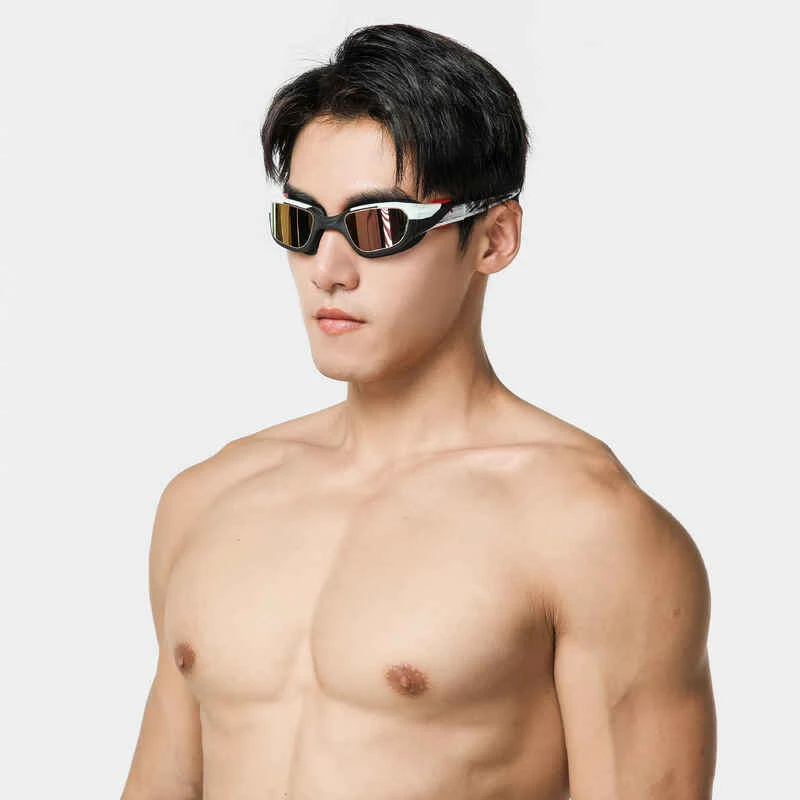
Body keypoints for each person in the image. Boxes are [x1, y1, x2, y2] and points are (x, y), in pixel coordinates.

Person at [120, 22, 716, 800]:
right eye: (303, 223)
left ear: (493, 239)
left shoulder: (588, 528)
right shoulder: (205, 501)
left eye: (379, 226)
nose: (328, 270)